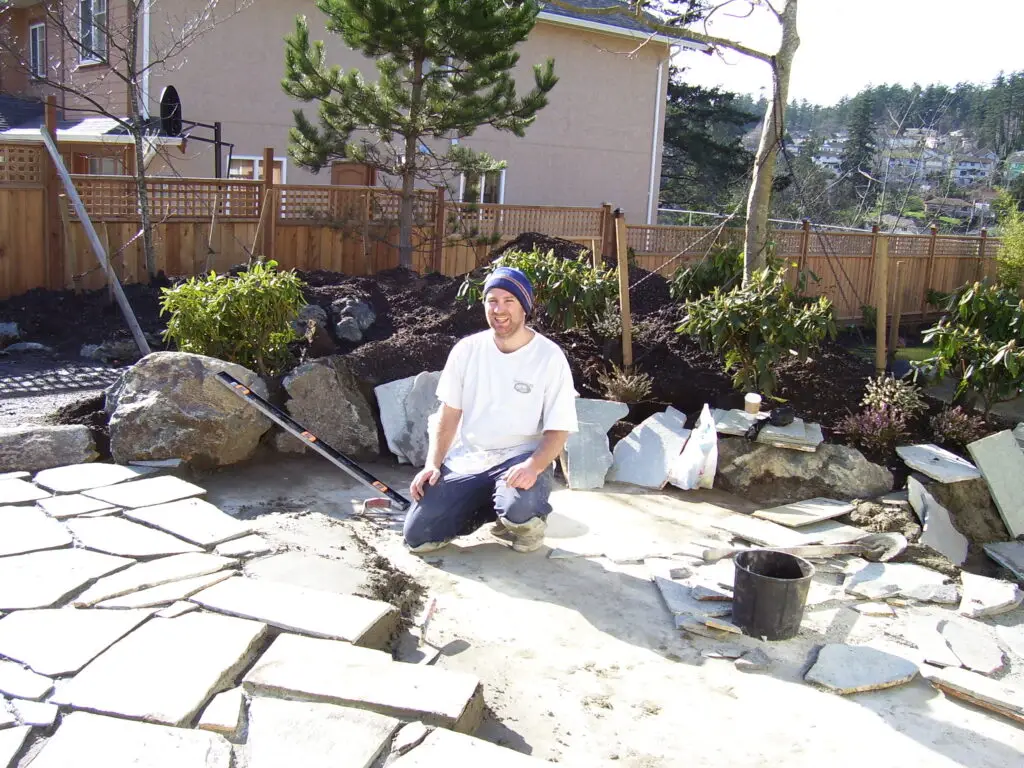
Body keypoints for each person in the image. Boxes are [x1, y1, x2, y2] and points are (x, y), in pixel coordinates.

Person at [403, 266, 579, 554]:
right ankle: (491, 509)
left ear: (525, 307)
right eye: (492, 300)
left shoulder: (549, 357)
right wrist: (432, 464)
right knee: (418, 536)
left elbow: (559, 428)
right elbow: (448, 416)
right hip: (469, 459)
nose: (499, 309)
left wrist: (534, 466)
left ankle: (524, 519)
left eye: (509, 301)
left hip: (520, 458)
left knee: (519, 509)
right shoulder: (466, 350)